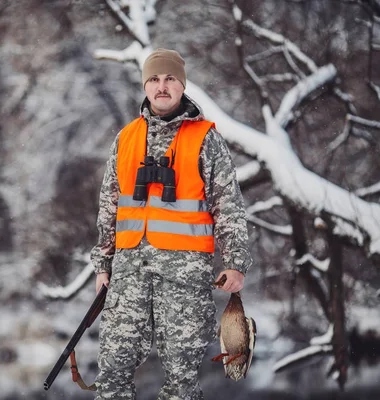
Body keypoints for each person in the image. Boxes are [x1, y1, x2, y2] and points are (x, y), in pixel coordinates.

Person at [90, 48, 253, 400]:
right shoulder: (126, 138)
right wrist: (103, 264)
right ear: (145, 85)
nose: (161, 86)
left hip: (185, 277)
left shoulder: (206, 139)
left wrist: (236, 262)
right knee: (112, 375)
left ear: (181, 84)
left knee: (181, 381)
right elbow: (109, 205)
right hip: (129, 273)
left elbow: (228, 206)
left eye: (169, 79)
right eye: (154, 79)